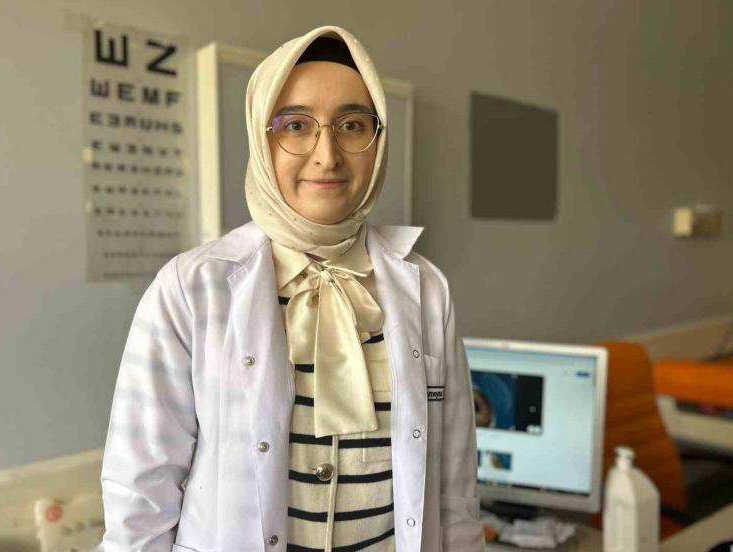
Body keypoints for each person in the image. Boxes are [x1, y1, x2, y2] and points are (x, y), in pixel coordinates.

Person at [100, 25, 484, 552]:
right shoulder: (192, 288)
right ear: (261, 139)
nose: (327, 155)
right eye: (296, 125)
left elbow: (454, 490)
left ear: (378, 140)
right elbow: (140, 500)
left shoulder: (427, 289)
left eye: (353, 125)